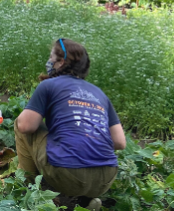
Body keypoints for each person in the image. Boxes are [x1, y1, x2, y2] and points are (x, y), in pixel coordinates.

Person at [14, 38, 126, 211]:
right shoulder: (99, 93)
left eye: (51, 57)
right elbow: (120, 142)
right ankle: (86, 202)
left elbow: (26, 126)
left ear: (61, 62)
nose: (49, 61)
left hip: (67, 174)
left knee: (20, 124)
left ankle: (28, 191)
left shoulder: (49, 85)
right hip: (105, 178)